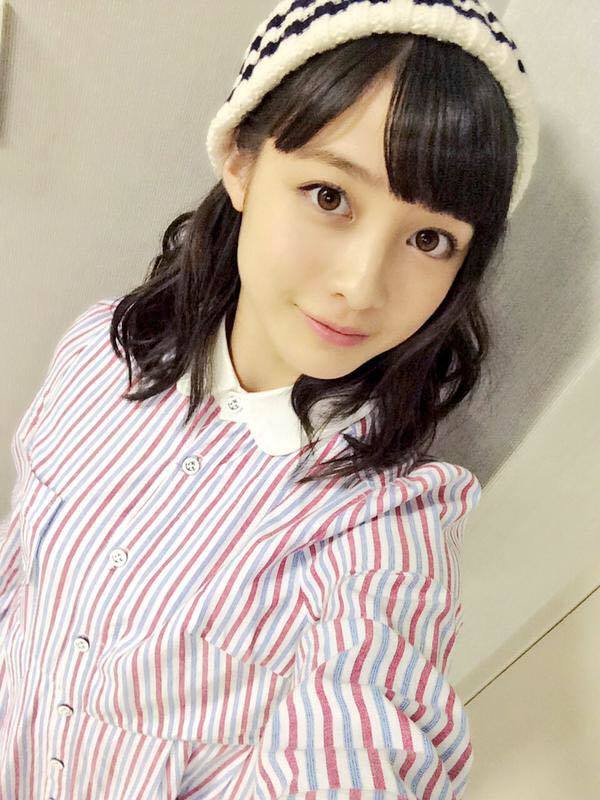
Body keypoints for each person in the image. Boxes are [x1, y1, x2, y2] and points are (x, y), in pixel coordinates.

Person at [0, 0, 539, 797]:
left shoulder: (388, 524)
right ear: (241, 162)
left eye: (429, 240)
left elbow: (367, 742)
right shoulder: (97, 353)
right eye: (330, 196)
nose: (361, 285)